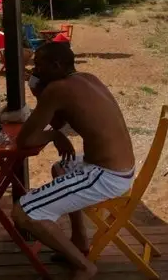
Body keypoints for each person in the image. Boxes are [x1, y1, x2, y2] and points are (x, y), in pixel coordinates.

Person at [11, 43, 135, 280]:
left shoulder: (57, 89)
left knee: (24, 212)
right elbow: (61, 123)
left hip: (106, 176)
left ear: (56, 66)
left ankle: (83, 266)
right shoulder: (88, 78)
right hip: (120, 168)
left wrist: (51, 126)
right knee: (61, 168)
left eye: (39, 66)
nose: (34, 71)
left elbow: (25, 140)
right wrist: (54, 130)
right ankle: (79, 240)